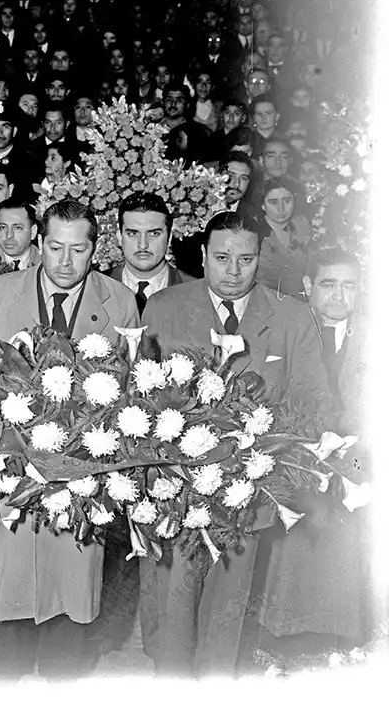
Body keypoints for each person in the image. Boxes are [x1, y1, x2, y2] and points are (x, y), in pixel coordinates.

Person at [138, 211, 330, 676]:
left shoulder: (291, 315)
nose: (233, 270)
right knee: (171, 614)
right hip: (177, 492)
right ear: (202, 256)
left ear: (260, 259)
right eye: (221, 257)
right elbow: (137, 395)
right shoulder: (164, 306)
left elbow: (313, 402)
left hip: (248, 492)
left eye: (246, 259)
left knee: (227, 614)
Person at [0, 198, 139, 679]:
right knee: (10, 594)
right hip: (13, 471)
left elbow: (129, 392)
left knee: (71, 593)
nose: (65, 262)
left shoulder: (120, 301)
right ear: (38, 243)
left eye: (78, 249)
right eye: (54, 247)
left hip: (82, 477)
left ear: (96, 249)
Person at [249, 247, 375, 659]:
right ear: (307, 287)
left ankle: (343, 629)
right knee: (297, 531)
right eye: (328, 284)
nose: (339, 295)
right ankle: (287, 628)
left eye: (348, 285)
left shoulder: (375, 337)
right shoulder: (289, 331)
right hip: (296, 449)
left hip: (361, 453)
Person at [110, 191, 194, 315]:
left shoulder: (197, 293)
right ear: (120, 237)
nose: (143, 245)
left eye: (154, 233)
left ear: (169, 238)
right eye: (133, 233)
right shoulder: (92, 289)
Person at [254, 177, 311, 297]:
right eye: (273, 202)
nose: (281, 208)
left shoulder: (302, 226)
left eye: (287, 200)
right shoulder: (253, 233)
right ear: (263, 205)